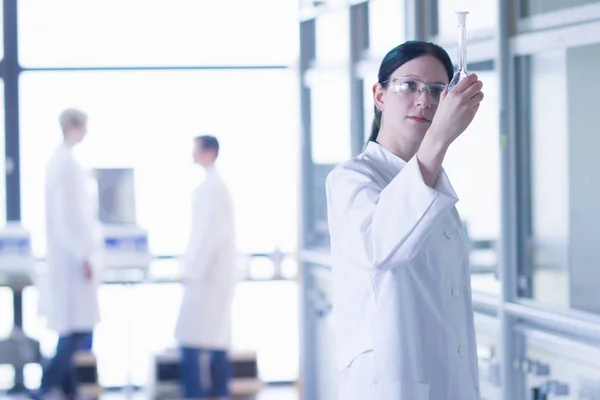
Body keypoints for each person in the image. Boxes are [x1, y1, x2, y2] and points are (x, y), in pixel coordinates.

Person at [326, 41, 485, 399]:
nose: (424, 100)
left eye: (435, 91)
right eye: (409, 86)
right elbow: (378, 247)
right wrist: (439, 141)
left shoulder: (435, 187)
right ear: (379, 96)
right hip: (387, 383)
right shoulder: (351, 179)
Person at [34, 108, 103, 400]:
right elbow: (67, 218)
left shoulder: (65, 162)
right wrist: (83, 255)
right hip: (71, 260)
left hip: (70, 258)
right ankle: (45, 386)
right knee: (75, 333)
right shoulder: (64, 164)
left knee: (73, 331)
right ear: (73, 126)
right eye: (83, 126)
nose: (85, 132)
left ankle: (69, 391)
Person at [174, 135, 238, 400]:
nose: (192, 153)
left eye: (195, 149)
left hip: (207, 279)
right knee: (215, 340)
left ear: (209, 152)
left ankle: (198, 395)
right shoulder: (213, 187)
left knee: (191, 341)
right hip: (213, 278)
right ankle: (218, 394)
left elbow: (206, 237)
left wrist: (191, 272)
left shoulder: (212, 190)